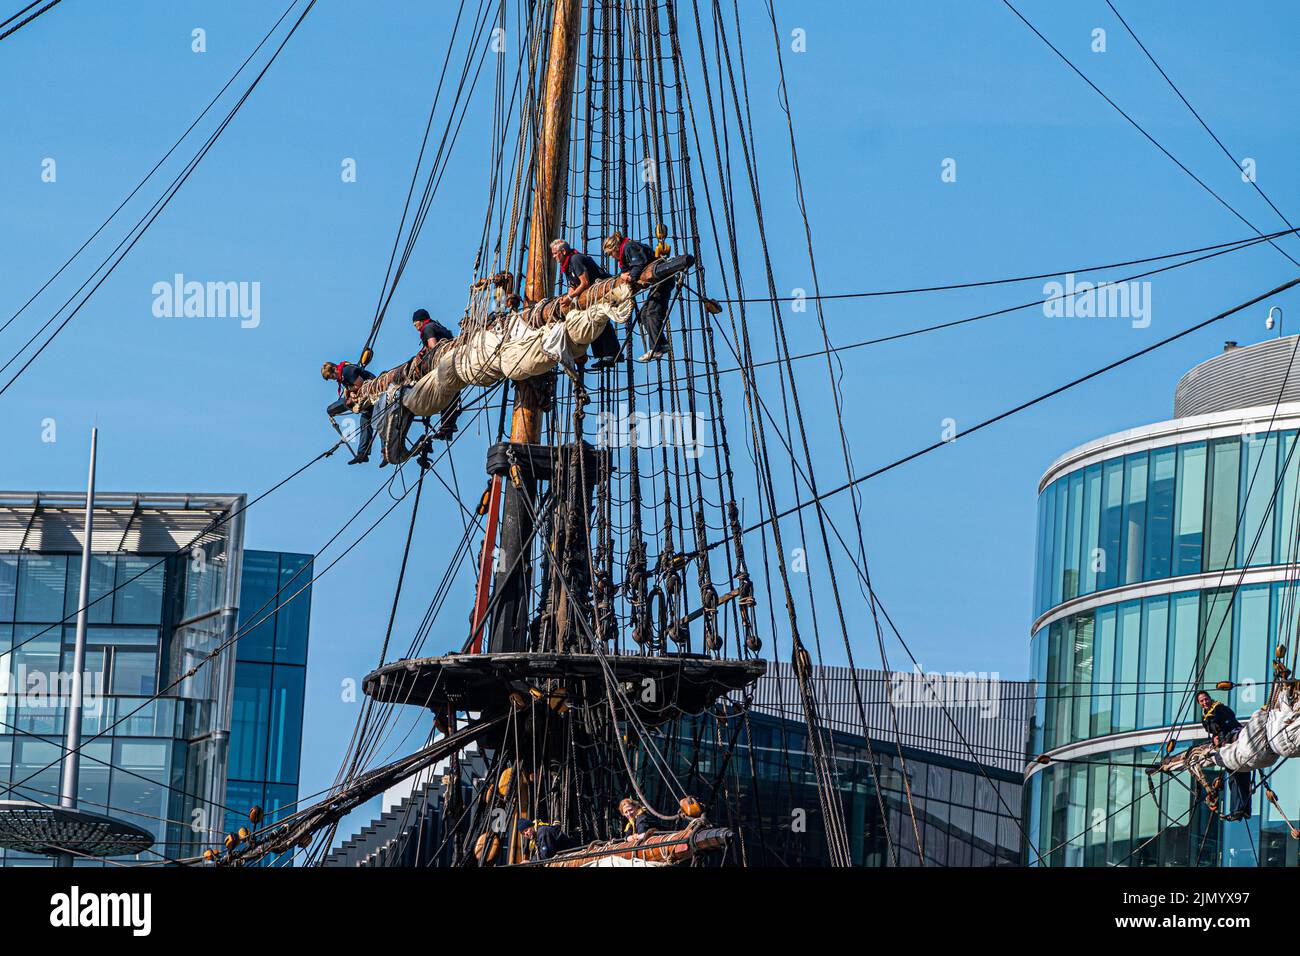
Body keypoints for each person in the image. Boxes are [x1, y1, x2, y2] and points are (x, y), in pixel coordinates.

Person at [550, 238, 620, 369]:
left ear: (563, 251)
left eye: (555, 253)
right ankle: (603, 355)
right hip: (590, 296)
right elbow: (573, 284)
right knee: (592, 323)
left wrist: (570, 298)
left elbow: (585, 283)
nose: (554, 257)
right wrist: (566, 298)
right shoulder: (566, 265)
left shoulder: (575, 259)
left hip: (601, 290)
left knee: (598, 320)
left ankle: (612, 353)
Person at [603, 232, 673, 362]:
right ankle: (661, 344)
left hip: (663, 279)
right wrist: (622, 276)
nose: (611, 257)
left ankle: (656, 347)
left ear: (615, 248)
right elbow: (627, 269)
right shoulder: (625, 253)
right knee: (644, 313)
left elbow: (639, 264)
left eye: (610, 253)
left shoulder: (629, 247)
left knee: (651, 312)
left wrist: (630, 277)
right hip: (659, 282)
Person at [1197, 690, 1252, 821]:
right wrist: (1215, 739)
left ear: (1210, 698)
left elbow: (1228, 723)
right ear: (1199, 703)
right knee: (1235, 776)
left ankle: (1239, 810)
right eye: (1202, 701)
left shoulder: (1219, 708)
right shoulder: (1206, 715)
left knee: (1236, 776)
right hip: (1225, 741)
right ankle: (1240, 810)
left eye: (1206, 699)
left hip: (1231, 737)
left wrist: (1220, 738)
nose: (1205, 702)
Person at [321, 360, 375, 465]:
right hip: (369, 397)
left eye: (332, 377)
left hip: (375, 393)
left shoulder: (347, 371)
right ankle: (362, 454)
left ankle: (385, 451)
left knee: (380, 421)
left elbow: (361, 384)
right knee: (365, 422)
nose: (334, 379)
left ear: (335, 369)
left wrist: (350, 390)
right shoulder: (343, 376)